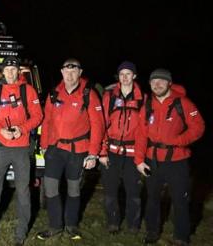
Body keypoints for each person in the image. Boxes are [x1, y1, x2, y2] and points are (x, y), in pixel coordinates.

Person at [36, 58, 105, 241]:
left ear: (80, 73)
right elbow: (47, 121)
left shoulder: (89, 94)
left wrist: (93, 153)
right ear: (61, 72)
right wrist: (44, 146)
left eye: (74, 71)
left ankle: (71, 226)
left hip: (78, 150)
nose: (70, 75)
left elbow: (98, 125)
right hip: (55, 150)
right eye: (67, 71)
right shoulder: (54, 93)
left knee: (73, 189)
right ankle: (55, 226)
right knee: (50, 188)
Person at [135, 68, 204, 246]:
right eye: (154, 82)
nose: (157, 84)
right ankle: (152, 232)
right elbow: (141, 134)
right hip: (152, 160)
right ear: (150, 84)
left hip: (177, 161)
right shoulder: (147, 105)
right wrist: (139, 160)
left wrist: (180, 140)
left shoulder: (183, 103)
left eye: (161, 81)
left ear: (169, 83)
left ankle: (181, 236)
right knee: (152, 198)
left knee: (180, 199)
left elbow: (198, 127)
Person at [0, 56, 43, 246]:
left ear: (18, 71)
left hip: (22, 149)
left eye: (13, 70)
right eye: (7, 70)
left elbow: (38, 116)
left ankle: (20, 235)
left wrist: (21, 129)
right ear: (2, 71)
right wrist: (0, 131)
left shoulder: (28, 90)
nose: (10, 73)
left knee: (23, 192)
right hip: (0, 149)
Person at [98, 61, 144, 234]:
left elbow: (144, 131)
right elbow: (101, 125)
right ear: (118, 77)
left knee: (133, 192)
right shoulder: (109, 97)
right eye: (122, 74)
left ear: (134, 76)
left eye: (128, 73)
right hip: (111, 152)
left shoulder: (142, 99)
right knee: (110, 191)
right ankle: (113, 222)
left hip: (133, 154)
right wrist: (102, 152)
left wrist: (140, 158)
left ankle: (133, 225)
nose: (125, 77)